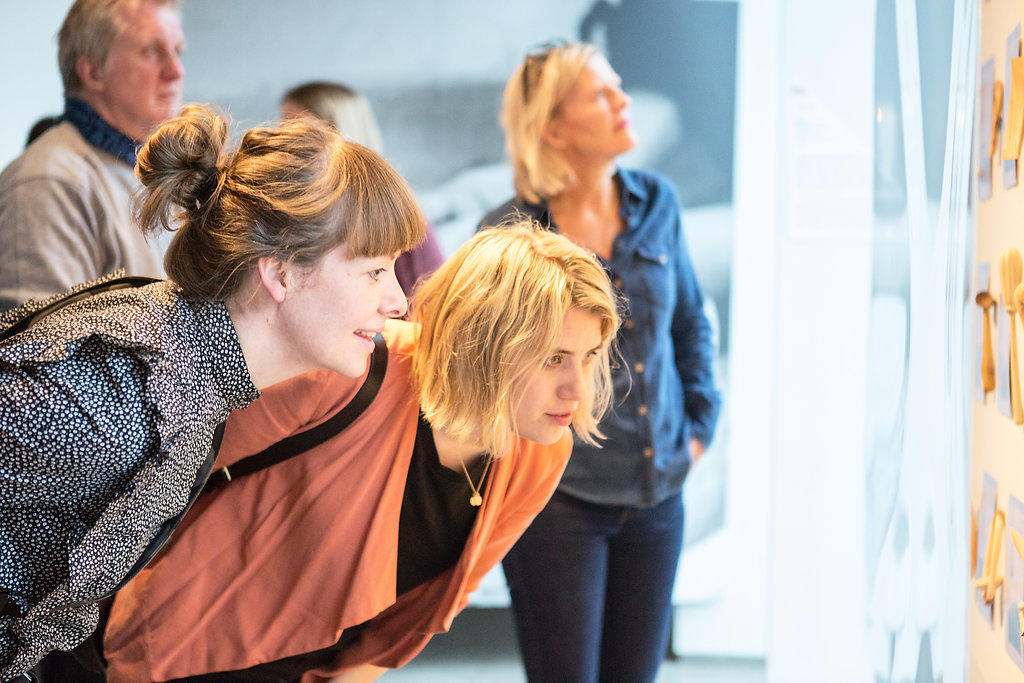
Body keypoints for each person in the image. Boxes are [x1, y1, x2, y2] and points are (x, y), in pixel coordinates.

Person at [0, 105, 424, 679]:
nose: (397, 302)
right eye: (373, 272)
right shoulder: (115, 400)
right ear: (280, 274)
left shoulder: (192, 381)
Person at [99, 225, 620, 683]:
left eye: (589, 357)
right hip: (171, 652)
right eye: (553, 359)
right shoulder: (351, 367)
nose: (577, 389)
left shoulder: (540, 451)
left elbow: (439, 602)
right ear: (488, 342)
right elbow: (163, 468)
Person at [479, 42, 722, 682]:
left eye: (618, 86)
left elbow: (690, 323)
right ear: (553, 127)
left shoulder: (658, 202)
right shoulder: (509, 234)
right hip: (555, 502)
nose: (623, 101)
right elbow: (483, 373)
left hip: (657, 492)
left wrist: (700, 428)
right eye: (599, 93)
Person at [0, 0, 189, 312]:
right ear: (93, 72)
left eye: (178, 51)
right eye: (153, 51)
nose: (176, 71)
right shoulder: (47, 185)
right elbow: (43, 342)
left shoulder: (160, 176)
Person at [281, 81, 445, 295]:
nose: (287, 147)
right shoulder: (287, 215)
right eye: (284, 131)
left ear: (342, 133)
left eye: (303, 135)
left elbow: (429, 307)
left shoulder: (395, 218)